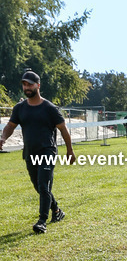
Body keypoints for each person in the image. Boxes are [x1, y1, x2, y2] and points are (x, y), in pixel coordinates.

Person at [0, 70, 75, 234]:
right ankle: (57, 211)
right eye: (24, 84)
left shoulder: (49, 108)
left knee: (43, 184)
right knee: (39, 186)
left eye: (30, 84)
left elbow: (63, 129)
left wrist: (70, 150)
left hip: (47, 151)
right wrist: (3, 138)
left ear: (38, 86)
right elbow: (10, 126)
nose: (26, 87)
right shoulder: (20, 108)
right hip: (29, 153)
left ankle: (42, 221)